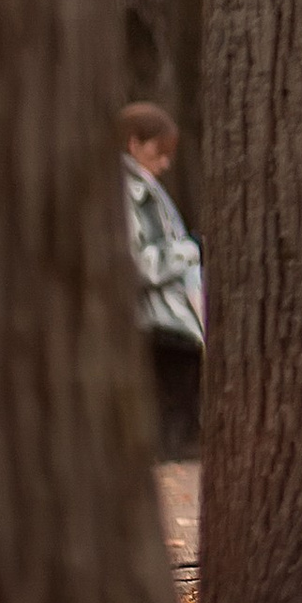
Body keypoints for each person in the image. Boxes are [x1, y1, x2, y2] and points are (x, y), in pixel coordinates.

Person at [121, 102, 206, 463]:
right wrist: (188, 251)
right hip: (159, 324)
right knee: (170, 436)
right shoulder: (130, 191)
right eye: (159, 152)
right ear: (133, 144)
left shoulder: (146, 188)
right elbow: (140, 264)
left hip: (172, 325)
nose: (165, 164)